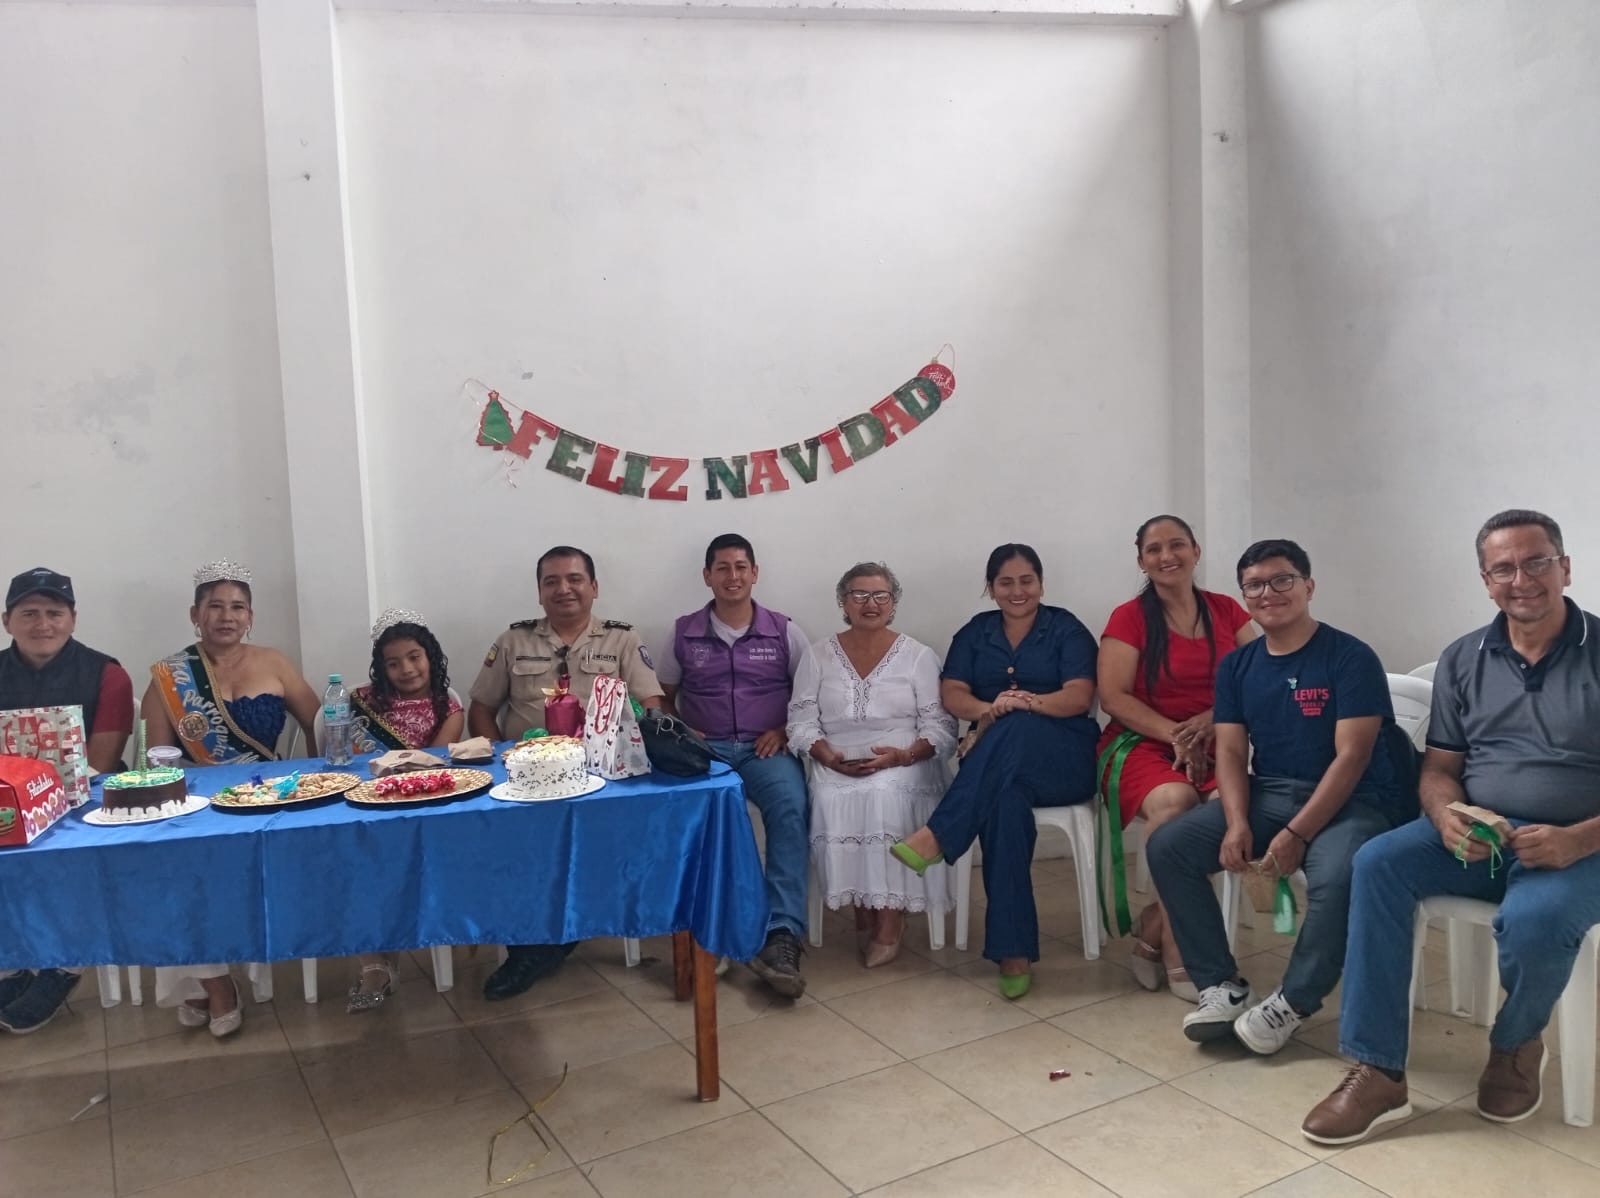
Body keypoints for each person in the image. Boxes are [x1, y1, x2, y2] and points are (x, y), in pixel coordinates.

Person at [1303, 509, 1600, 1145]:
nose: (1522, 579)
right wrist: (1444, 815)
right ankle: (1378, 1069)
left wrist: (1577, 838)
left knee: (1536, 920)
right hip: (1486, 834)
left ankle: (1516, 1045)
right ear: (1486, 581)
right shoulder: (1465, 658)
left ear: (1566, 568)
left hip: (1584, 842)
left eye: (1537, 562)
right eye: (1503, 568)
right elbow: (1440, 768)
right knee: (1377, 862)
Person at [1147, 539, 1399, 1056]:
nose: (1269, 593)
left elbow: (1352, 758)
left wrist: (1296, 834)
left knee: (1339, 876)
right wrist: (1237, 820)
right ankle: (1221, 985)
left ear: (1309, 586)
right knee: (1169, 846)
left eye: (1283, 580)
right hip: (1272, 793)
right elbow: (1231, 752)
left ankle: (1295, 1000)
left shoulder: (1350, 657)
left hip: (1353, 801)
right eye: (1255, 585)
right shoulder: (1238, 666)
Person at [892, 544, 1099, 999]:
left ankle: (939, 834)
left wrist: (1023, 704)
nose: (1017, 590)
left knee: (1017, 723)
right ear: (991, 588)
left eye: (1027, 581)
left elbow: (1079, 696)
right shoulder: (976, 632)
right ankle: (1013, 951)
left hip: (1064, 759)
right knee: (1004, 803)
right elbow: (953, 693)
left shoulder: (1065, 628)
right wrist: (992, 709)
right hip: (998, 766)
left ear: (1041, 583)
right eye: (1006, 582)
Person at [467, 545, 665, 999]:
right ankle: (532, 939)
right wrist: (502, 759)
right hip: (527, 777)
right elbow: (481, 708)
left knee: (600, 839)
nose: (564, 589)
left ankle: (544, 945)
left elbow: (651, 706)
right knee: (509, 845)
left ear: (594, 587)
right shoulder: (512, 641)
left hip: (601, 778)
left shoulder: (622, 639)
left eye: (575, 579)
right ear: (539, 592)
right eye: (551, 581)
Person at [142, 559, 321, 1037]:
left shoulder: (274, 662)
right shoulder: (169, 677)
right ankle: (216, 982)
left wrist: (318, 781)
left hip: (267, 801)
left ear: (250, 616)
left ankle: (209, 979)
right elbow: (155, 761)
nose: (227, 616)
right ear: (195, 614)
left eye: (237, 607)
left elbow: (322, 725)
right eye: (215, 606)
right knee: (176, 867)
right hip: (198, 806)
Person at [1096, 516, 1255, 997]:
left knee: (1225, 812)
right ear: (1141, 560)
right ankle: (1179, 948)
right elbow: (1114, 697)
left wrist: (1213, 719)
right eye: (1154, 549)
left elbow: (1258, 678)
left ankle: (1155, 924)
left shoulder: (1227, 611)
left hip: (1217, 741)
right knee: (1175, 801)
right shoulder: (1129, 617)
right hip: (1140, 742)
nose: (1167, 556)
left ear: (1196, 551)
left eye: (1177, 545)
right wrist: (1177, 736)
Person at [659, 534, 814, 996]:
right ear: (707, 576)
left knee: (790, 809)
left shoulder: (784, 631)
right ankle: (710, 928)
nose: (733, 576)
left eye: (741, 567)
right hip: (705, 752)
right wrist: (682, 732)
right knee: (695, 820)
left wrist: (784, 730)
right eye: (722, 568)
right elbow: (661, 697)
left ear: (755, 573)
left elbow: (809, 696)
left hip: (766, 750)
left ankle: (781, 934)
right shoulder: (683, 632)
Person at [788, 562, 958, 968]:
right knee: (830, 795)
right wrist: (827, 756)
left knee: (882, 794)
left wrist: (903, 756)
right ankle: (864, 901)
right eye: (859, 595)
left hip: (905, 758)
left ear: (894, 603)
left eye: (881, 595)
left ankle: (889, 919)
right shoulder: (817, 655)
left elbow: (941, 726)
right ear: (843, 603)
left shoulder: (918, 656)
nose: (871, 603)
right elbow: (800, 720)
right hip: (837, 758)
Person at [0, 567, 135, 1034]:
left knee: (68, 849)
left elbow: (101, 762)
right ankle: (14, 963)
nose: (43, 624)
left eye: (54, 613)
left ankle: (64, 964)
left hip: (86, 801)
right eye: (29, 613)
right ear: (7, 620)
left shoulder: (108, 674)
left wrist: (41, 802)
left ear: (73, 619)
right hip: (8, 806)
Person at [346, 608, 465, 1012]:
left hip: (422, 808)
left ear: (431, 657)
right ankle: (374, 963)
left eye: (414, 657)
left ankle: (386, 959)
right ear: (381, 669)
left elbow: (433, 766)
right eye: (393, 663)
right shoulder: (359, 703)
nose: (407, 669)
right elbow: (345, 762)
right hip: (367, 804)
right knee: (355, 855)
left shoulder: (449, 709)